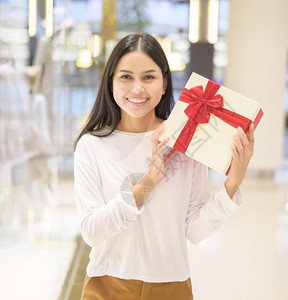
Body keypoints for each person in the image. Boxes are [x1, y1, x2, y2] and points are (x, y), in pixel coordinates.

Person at [74, 33, 255, 300]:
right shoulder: (91, 146)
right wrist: (151, 178)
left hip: (171, 287)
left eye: (148, 77)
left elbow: (194, 230)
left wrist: (232, 185)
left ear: (164, 83)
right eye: (126, 77)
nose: (137, 88)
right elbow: (91, 231)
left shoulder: (185, 142)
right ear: (110, 82)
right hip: (106, 285)